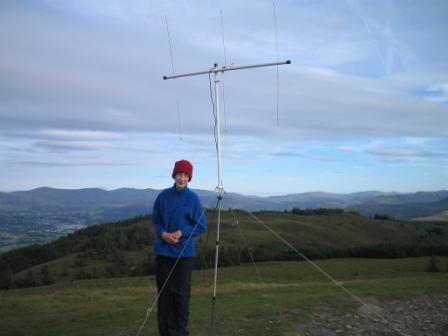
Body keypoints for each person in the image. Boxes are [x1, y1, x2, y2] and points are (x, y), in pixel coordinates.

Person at [152, 159, 207, 336]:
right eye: (179, 174)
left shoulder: (193, 199)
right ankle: (165, 332)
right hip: (163, 253)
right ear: (174, 175)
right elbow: (157, 220)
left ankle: (180, 331)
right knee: (164, 295)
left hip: (184, 255)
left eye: (185, 175)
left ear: (189, 178)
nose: (182, 178)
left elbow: (201, 225)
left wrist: (181, 233)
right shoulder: (163, 196)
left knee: (181, 296)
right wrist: (163, 234)